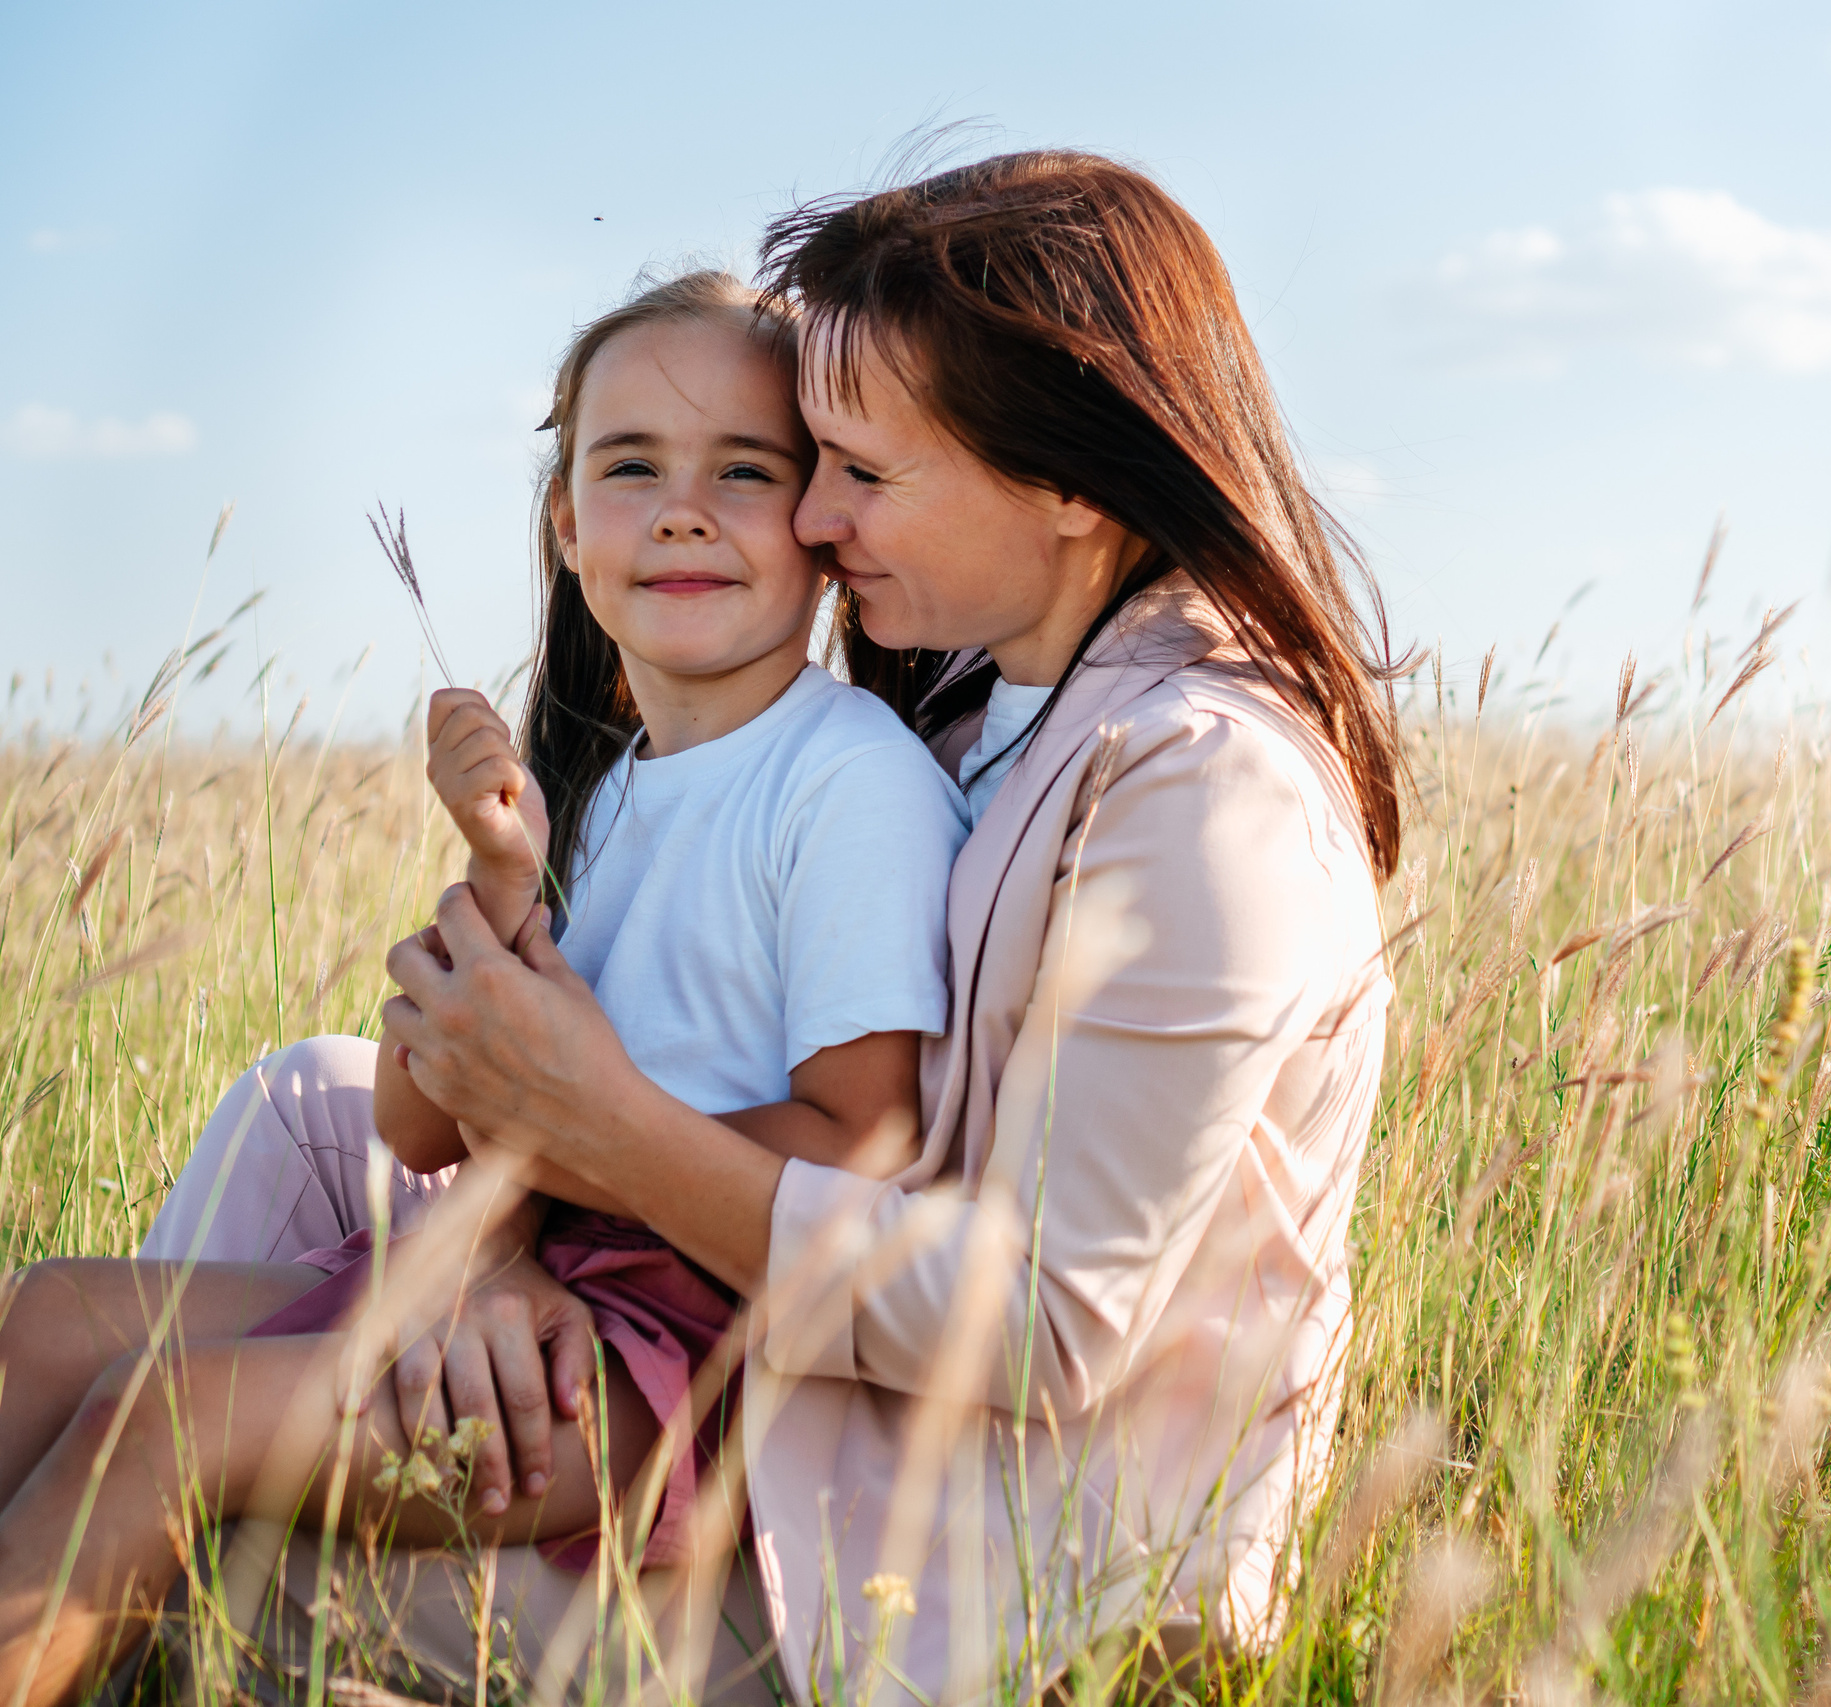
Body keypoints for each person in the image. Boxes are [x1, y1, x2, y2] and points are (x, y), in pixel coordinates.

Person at [119, 147, 1401, 1705]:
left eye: (862, 471)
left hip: (972, 1558)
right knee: (302, 1112)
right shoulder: (993, 705)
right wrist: (510, 1243)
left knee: (172, 1521)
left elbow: (1048, 1328)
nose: (813, 511)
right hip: (779, 1380)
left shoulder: (1206, 792)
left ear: (1070, 484)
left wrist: (591, 1136)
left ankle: (189, 1565)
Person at [0, 269, 965, 1706]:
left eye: (743, 473)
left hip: (675, 1356)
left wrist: (577, 1162)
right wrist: (503, 881)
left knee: (164, 1420)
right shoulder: (609, 794)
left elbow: (863, 1145)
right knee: (48, 1317)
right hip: (527, 1277)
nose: (683, 509)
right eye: (630, 468)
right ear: (568, 525)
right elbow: (419, 1126)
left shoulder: (847, 785)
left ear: (821, 533)